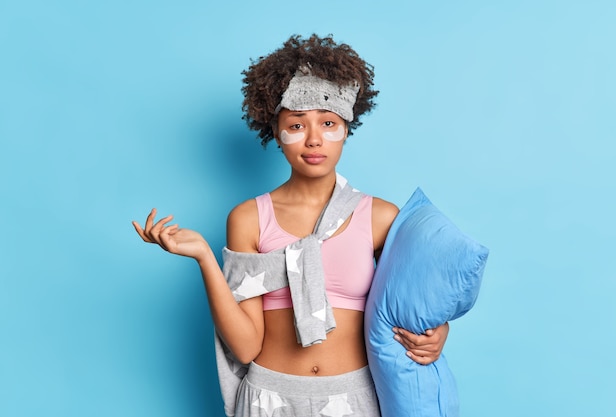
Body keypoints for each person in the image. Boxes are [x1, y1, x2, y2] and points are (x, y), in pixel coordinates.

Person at [132, 34, 449, 417]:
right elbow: (246, 347)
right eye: (297, 125)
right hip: (269, 397)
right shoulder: (249, 218)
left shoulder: (380, 217)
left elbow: (413, 308)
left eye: (328, 123)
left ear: (346, 128)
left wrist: (438, 333)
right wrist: (203, 256)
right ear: (276, 133)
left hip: (354, 397)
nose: (314, 139)